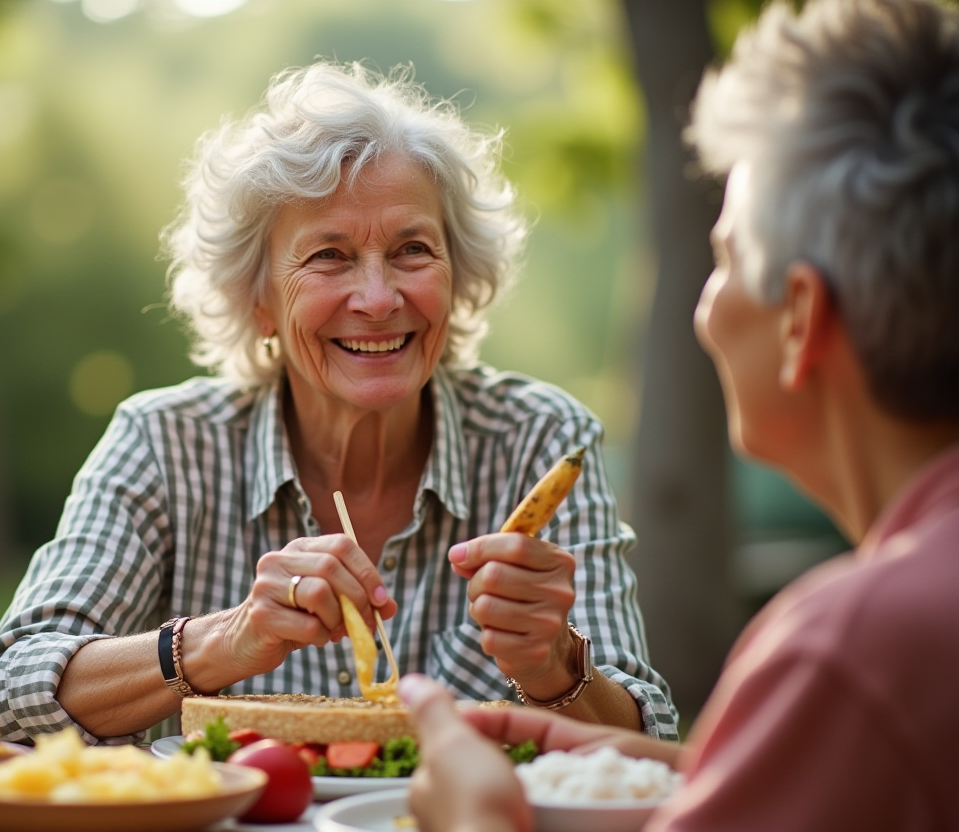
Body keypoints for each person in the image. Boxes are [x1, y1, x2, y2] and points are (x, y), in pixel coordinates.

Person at [0, 61, 677, 745]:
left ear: (457, 276)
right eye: (329, 257)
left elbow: (650, 740)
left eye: (412, 250)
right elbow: (3, 693)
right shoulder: (165, 442)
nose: (376, 299)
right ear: (258, 299)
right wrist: (224, 641)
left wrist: (558, 671)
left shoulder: (540, 443)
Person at [399, 0, 959, 830]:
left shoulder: (855, 646)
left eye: (726, 256)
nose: (705, 309)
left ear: (801, 318)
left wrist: (474, 819)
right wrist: (716, 771)